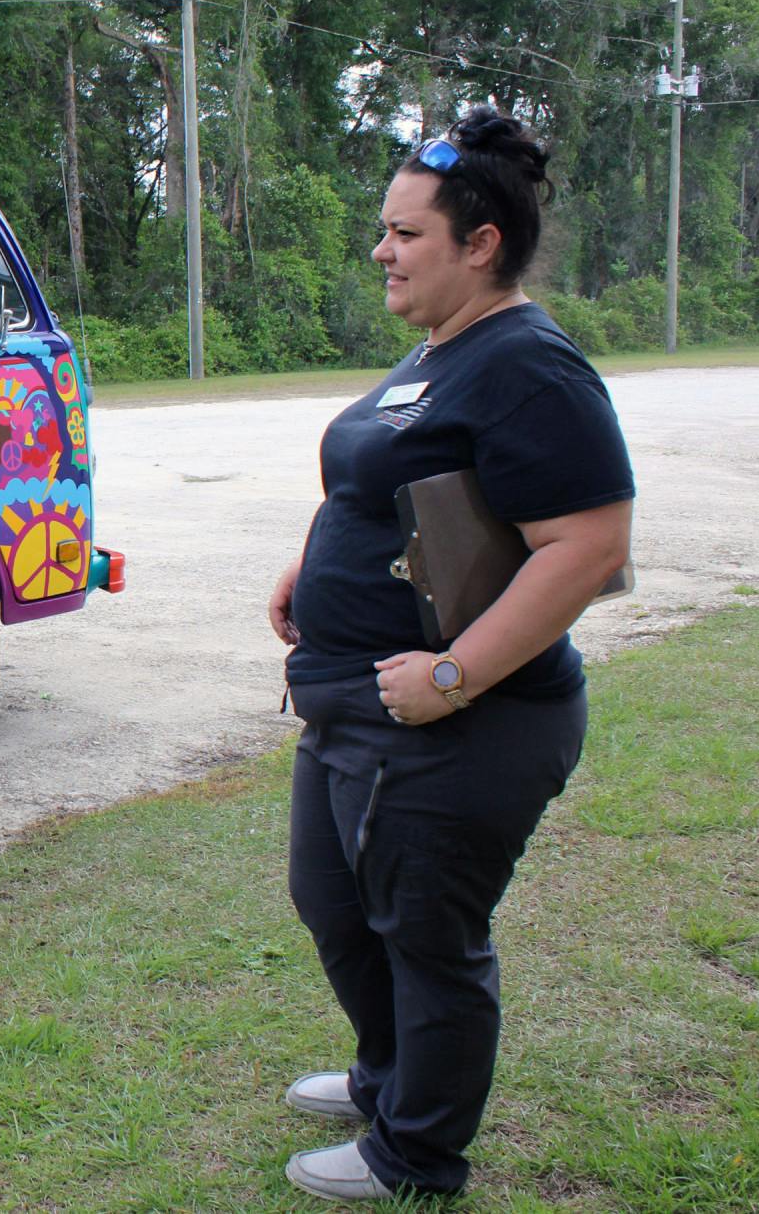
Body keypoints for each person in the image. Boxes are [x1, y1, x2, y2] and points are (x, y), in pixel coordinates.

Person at [267, 108, 634, 1201]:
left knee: (424, 931)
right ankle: (387, 1075)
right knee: (334, 905)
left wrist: (450, 674)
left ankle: (414, 1150)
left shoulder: (528, 363)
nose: (380, 250)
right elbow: (376, 483)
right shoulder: (438, 348)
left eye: (404, 233)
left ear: (478, 244)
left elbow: (588, 544)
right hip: (352, 706)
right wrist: (308, 562)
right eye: (382, 231)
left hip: (454, 721)